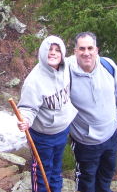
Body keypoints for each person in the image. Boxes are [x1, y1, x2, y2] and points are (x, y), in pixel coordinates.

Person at [66, 32, 117, 192]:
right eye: (81, 48)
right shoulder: (66, 72)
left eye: (90, 48)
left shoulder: (108, 66)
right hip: (85, 141)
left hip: (110, 136)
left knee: (106, 176)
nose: (86, 53)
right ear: (75, 51)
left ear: (97, 50)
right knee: (86, 180)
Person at [17, 35, 78, 192]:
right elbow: (27, 108)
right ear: (43, 52)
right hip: (42, 136)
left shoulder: (66, 67)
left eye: (57, 50)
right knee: (42, 171)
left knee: (56, 169)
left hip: (62, 130)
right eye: (49, 50)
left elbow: (81, 56)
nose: (53, 53)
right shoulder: (34, 81)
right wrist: (25, 120)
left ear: (62, 53)